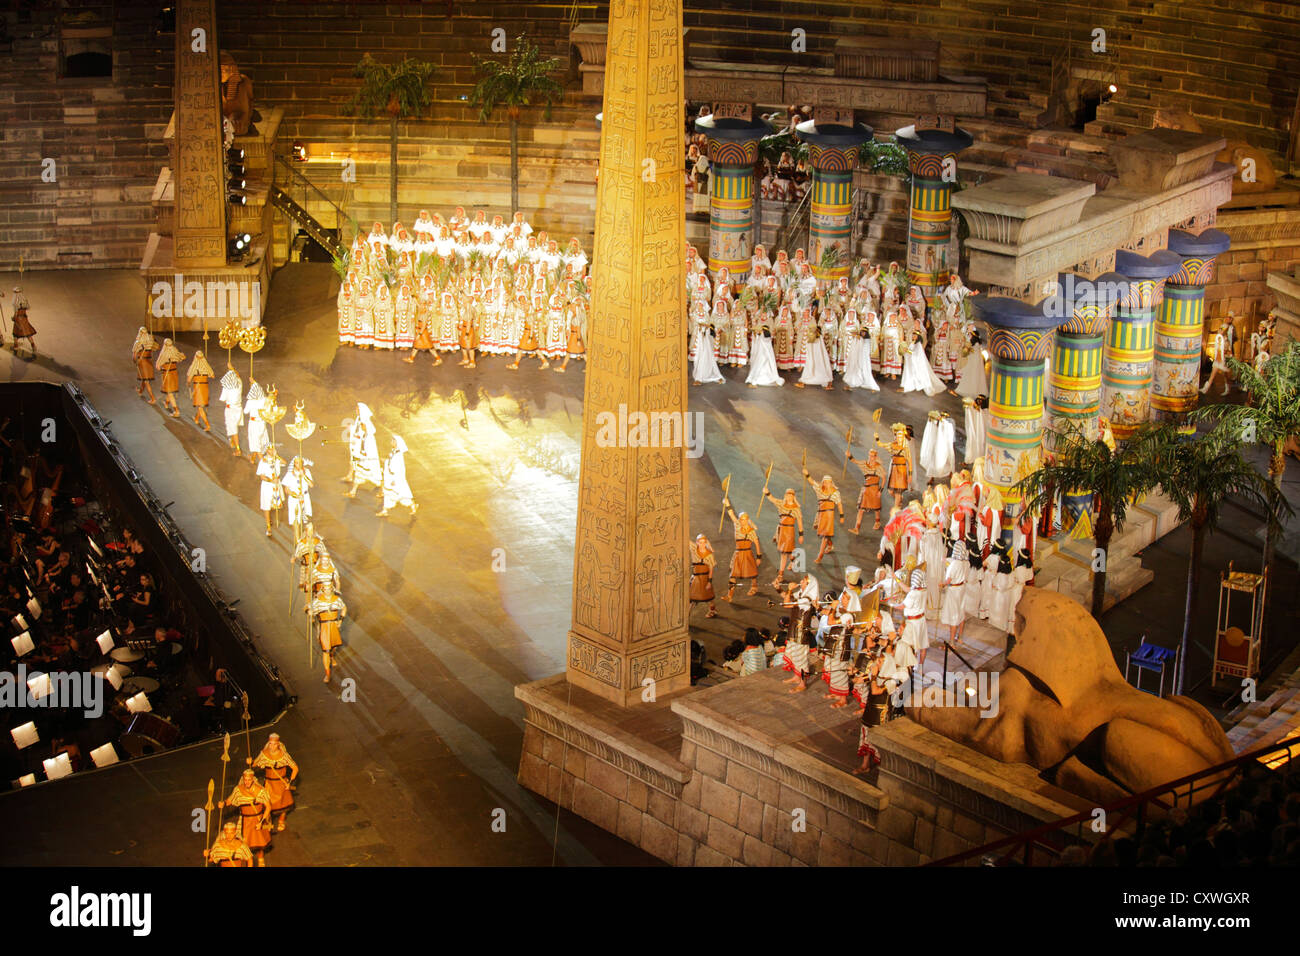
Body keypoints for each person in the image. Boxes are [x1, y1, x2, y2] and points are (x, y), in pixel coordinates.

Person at [220, 769, 272, 866]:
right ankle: (248, 862)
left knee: (259, 842)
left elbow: (268, 807)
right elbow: (230, 800)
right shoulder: (238, 789)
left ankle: (260, 858)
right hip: (244, 821)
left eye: (249, 779)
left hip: (257, 819)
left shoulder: (260, 791)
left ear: (253, 779)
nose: (247, 782)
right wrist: (223, 803)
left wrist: (262, 821)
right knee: (244, 843)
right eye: (245, 780)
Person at [251, 733, 299, 832]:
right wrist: (251, 762)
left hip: (281, 783)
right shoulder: (264, 753)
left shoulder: (284, 756)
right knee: (267, 803)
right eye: (270, 744)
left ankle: (281, 820)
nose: (272, 746)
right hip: (269, 783)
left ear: (278, 744)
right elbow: (254, 764)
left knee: (284, 803)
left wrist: (290, 782)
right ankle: (268, 822)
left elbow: (295, 768)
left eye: (274, 744)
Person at [307, 578, 347, 683]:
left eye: (330, 588)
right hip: (324, 627)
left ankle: (332, 656)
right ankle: (327, 674)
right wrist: (310, 611)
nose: (328, 590)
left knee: (333, 647)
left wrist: (341, 620)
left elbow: (344, 608)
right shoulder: (318, 601)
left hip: (334, 626)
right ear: (323, 590)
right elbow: (309, 608)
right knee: (326, 649)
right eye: (326, 588)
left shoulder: (337, 599)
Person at [761, 488, 803, 587]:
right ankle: (793, 561)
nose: (789, 496)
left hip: (789, 531)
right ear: (785, 495)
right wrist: (767, 492)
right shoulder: (781, 504)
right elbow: (772, 499)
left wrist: (801, 534)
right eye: (787, 494)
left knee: (784, 552)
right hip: (781, 530)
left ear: (793, 496)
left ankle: (780, 575)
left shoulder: (796, 508)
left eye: (791, 495)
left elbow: (800, 522)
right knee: (787, 550)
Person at [722, 501, 762, 601]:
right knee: (733, 574)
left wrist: (759, 557)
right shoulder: (737, 526)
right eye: (741, 519)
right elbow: (731, 515)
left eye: (744, 519)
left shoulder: (751, 531)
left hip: (748, 553)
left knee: (752, 573)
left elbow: (756, 543)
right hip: (738, 553)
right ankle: (730, 596)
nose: (743, 521)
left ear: (748, 520)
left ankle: (754, 587)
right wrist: (727, 505)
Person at [802, 470, 843, 564]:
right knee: (824, 532)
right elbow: (812, 482)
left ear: (831, 483)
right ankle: (830, 545)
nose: (827, 483)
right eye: (825, 482)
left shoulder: (835, 493)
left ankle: (820, 556)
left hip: (829, 515)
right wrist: (807, 474)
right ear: (823, 482)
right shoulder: (819, 489)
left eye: (829, 482)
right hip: (820, 514)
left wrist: (841, 515)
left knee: (824, 534)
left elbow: (839, 504)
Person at [344, 403, 382, 499]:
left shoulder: (366, 422)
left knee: (373, 473)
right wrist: (351, 428)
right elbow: (357, 432)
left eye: (358, 409)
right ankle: (353, 491)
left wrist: (365, 430)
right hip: (359, 451)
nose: (356, 411)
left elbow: (371, 431)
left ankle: (383, 488)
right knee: (359, 472)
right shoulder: (358, 419)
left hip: (366, 454)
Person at [847, 446, 887, 533]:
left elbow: (884, 478)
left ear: (875, 457)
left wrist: (881, 490)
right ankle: (856, 528)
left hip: (875, 489)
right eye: (869, 455)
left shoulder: (878, 467)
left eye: (872, 456)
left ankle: (877, 522)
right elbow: (855, 461)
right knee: (861, 509)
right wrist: (850, 456)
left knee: (876, 507)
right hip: (866, 489)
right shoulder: (864, 464)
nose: (871, 457)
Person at [376, 436, 418, 518]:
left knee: (400, 495)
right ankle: (385, 510)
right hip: (389, 476)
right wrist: (385, 461)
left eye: (393, 440)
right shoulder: (394, 452)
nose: (391, 442)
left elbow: (398, 468)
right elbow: (391, 462)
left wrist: (394, 479)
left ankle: (412, 505)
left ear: (397, 443)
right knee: (388, 493)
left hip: (394, 478)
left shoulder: (398, 455)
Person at [940, 537, 969, 645]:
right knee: (961, 613)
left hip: (954, 591)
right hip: (962, 589)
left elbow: (948, 580)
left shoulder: (955, 564)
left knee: (953, 615)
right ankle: (959, 637)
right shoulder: (966, 562)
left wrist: (941, 584)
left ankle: (951, 643)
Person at [745, 320, 783, 387]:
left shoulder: (762, 337)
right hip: (767, 356)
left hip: (762, 355)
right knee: (767, 368)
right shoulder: (768, 337)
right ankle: (768, 378)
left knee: (758, 367)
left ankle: (755, 381)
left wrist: (755, 333)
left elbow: (756, 341)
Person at [256, 448, 284, 537]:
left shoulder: (276, 459)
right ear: (267, 451)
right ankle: (268, 527)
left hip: (276, 485)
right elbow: (262, 476)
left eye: (273, 450)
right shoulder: (263, 461)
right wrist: (271, 480)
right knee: (267, 505)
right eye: (270, 450)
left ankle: (268, 519)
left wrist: (277, 456)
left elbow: (284, 462)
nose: (272, 451)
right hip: (267, 486)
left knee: (274, 504)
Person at [154, 338, 185, 417]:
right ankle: (167, 403)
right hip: (174, 373)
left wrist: (162, 368)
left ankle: (176, 411)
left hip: (167, 374)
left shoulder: (164, 353)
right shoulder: (175, 350)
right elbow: (181, 358)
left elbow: (157, 366)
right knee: (170, 390)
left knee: (170, 392)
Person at [280, 455, 313, 531]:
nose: (299, 464)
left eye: (300, 462)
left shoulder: (307, 471)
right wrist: (294, 494)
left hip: (305, 497)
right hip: (294, 499)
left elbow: (311, 485)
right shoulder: (290, 474)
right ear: (294, 463)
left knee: (305, 519)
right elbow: (286, 489)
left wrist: (304, 475)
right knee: (295, 520)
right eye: (297, 463)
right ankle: (297, 539)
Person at [688, 533, 717, 618]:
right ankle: (687, 617)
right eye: (700, 542)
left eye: (704, 542)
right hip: (696, 578)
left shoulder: (709, 555)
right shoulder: (694, 549)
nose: (702, 544)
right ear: (697, 542)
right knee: (692, 599)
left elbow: (711, 568)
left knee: (707, 597)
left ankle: (712, 610)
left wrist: (709, 582)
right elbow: (686, 538)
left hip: (704, 578)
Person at [187, 349, 214, 431]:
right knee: (201, 405)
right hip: (205, 386)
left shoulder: (194, 366)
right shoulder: (206, 365)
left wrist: (188, 383)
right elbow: (212, 375)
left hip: (198, 386)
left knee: (200, 406)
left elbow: (189, 379)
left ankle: (207, 425)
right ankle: (196, 419)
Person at [219, 364, 243, 456]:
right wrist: (232, 368)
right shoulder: (239, 383)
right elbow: (238, 376)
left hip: (231, 410)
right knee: (234, 427)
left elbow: (223, 399)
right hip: (238, 408)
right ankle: (232, 441)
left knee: (233, 429)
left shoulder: (227, 387)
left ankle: (238, 450)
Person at [243, 380, 269, 465]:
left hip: (254, 423)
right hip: (262, 422)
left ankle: (263, 462)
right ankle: (252, 458)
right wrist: (254, 382)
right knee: (259, 440)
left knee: (255, 442)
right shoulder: (264, 400)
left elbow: (246, 411)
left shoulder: (250, 401)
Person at [132, 327, 158, 404]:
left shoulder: (138, 342)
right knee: (144, 377)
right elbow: (156, 347)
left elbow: (134, 354)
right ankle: (140, 391)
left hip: (142, 361)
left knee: (146, 380)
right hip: (149, 360)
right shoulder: (151, 340)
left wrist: (135, 361)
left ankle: (153, 398)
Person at [9, 287, 36, 357]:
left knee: (15, 334)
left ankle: (16, 347)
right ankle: (33, 347)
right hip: (24, 319)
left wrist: (13, 318)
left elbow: (16, 313)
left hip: (18, 320)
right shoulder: (24, 301)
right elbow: (28, 307)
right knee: (28, 333)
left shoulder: (16, 303)